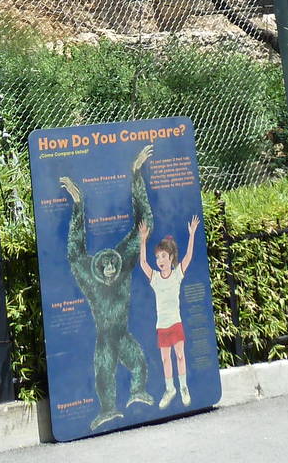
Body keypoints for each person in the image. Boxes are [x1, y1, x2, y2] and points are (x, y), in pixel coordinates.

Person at [61, 143, 156, 430]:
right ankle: (107, 410)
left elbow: (145, 223)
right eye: (109, 268)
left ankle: (138, 393)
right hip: (105, 338)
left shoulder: (124, 264)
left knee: (139, 362)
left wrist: (136, 174)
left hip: (122, 334)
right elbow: (75, 254)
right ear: (101, 271)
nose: (113, 270)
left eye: (114, 266)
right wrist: (79, 207)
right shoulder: (92, 279)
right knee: (104, 374)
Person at [138, 213, 199, 408]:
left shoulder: (177, 274)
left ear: (171, 257)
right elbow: (142, 263)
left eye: (163, 256)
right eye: (157, 257)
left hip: (176, 322)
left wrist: (192, 234)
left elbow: (189, 256)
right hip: (162, 325)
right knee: (165, 359)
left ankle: (183, 387)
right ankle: (170, 388)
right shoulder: (155, 278)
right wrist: (143, 240)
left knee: (180, 355)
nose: (159, 260)